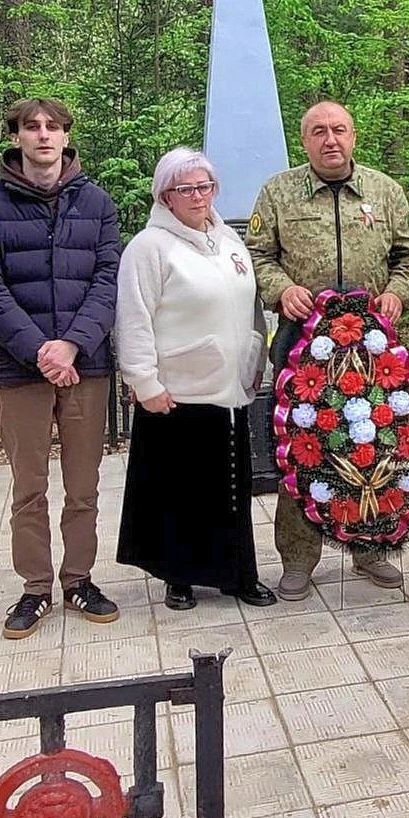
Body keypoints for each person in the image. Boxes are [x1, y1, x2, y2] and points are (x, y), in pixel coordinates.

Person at [246, 100, 409, 600]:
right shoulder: (279, 192)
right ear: (305, 141)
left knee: (373, 448)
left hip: (373, 347)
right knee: (301, 448)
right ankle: (298, 560)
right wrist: (281, 289)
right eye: (319, 131)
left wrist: (397, 291)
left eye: (339, 130)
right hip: (303, 345)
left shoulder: (383, 191)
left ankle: (370, 548)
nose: (331, 140)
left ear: (354, 136)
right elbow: (256, 256)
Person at [0, 97, 120, 640]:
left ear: (67, 136)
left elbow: (107, 280)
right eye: (33, 127)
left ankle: (78, 579)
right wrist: (40, 351)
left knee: (84, 485)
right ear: (17, 138)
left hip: (86, 366)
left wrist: (72, 346)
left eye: (53, 127)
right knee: (29, 487)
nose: (44, 136)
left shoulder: (96, 203)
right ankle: (35, 588)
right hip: (19, 368)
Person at [114, 148, 275, 611]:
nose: (198, 196)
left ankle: (236, 573)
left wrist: (254, 360)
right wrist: (144, 382)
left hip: (229, 389)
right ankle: (179, 576)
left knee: (230, 489)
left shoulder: (229, 241)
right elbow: (134, 318)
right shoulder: (149, 248)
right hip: (176, 390)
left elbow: (249, 307)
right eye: (185, 189)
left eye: (205, 186)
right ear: (165, 196)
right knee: (179, 491)